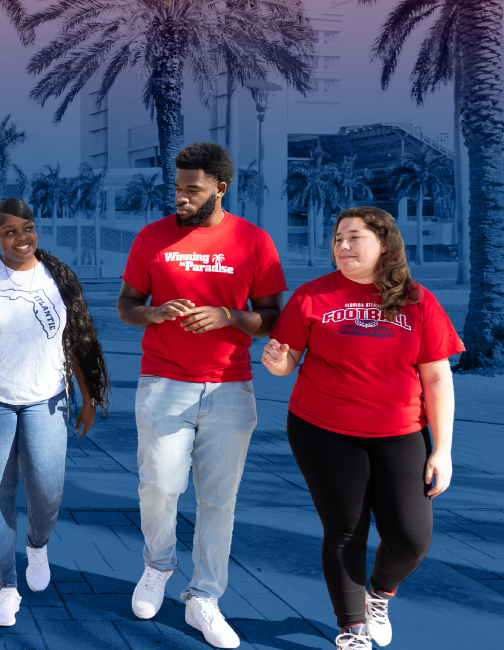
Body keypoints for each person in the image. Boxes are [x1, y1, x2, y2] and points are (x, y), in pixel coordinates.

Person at [261, 207, 461, 650]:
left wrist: (442, 449)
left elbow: (437, 377)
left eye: (354, 237)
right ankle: (351, 630)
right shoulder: (312, 296)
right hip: (323, 430)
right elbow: (288, 359)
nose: (343, 246)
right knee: (346, 530)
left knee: (411, 537)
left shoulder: (417, 300)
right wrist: (278, 363)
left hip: (401, 431)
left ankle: (378, 594)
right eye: (337, 239)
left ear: (384, 243)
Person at [116, 143, 285, 649]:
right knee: (160, 487)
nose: (181, 197)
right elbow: (127, 305)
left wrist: (229, 317)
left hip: (230, 388)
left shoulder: (254, 242)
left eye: (192, 189)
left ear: (220, 187)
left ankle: (204, 597)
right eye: (178, 188)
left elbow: (274, 317)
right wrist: (155, 313)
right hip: (163, 383)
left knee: (218, 500)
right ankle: (157, 567)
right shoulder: (152, 237)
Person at [0, 199, 111, 628]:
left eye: (28, 228)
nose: (21, 238)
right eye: (10, 232)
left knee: (47, 490)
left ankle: (37, 544)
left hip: (46, 399)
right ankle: (7, 587)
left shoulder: (57, 277)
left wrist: (88, 396)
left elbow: (76, 341)